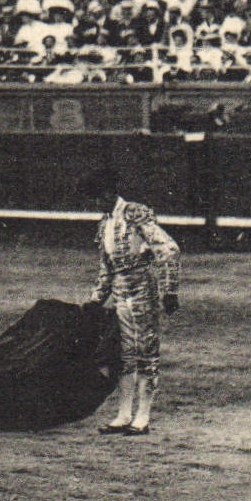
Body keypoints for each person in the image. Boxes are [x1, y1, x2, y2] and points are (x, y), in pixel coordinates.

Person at [80, 168, 180, 435]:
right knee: (125, 356)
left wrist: (170, 290)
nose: (97, 204)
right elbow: (107, 268)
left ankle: (143, 418)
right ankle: (124, 415)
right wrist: (96, 300)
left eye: (99, 197)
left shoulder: (135, 214)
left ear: (110, 193)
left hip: (143, 292)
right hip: (120, 296)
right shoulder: (106, 222)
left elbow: (169, 249)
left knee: (145, 353)